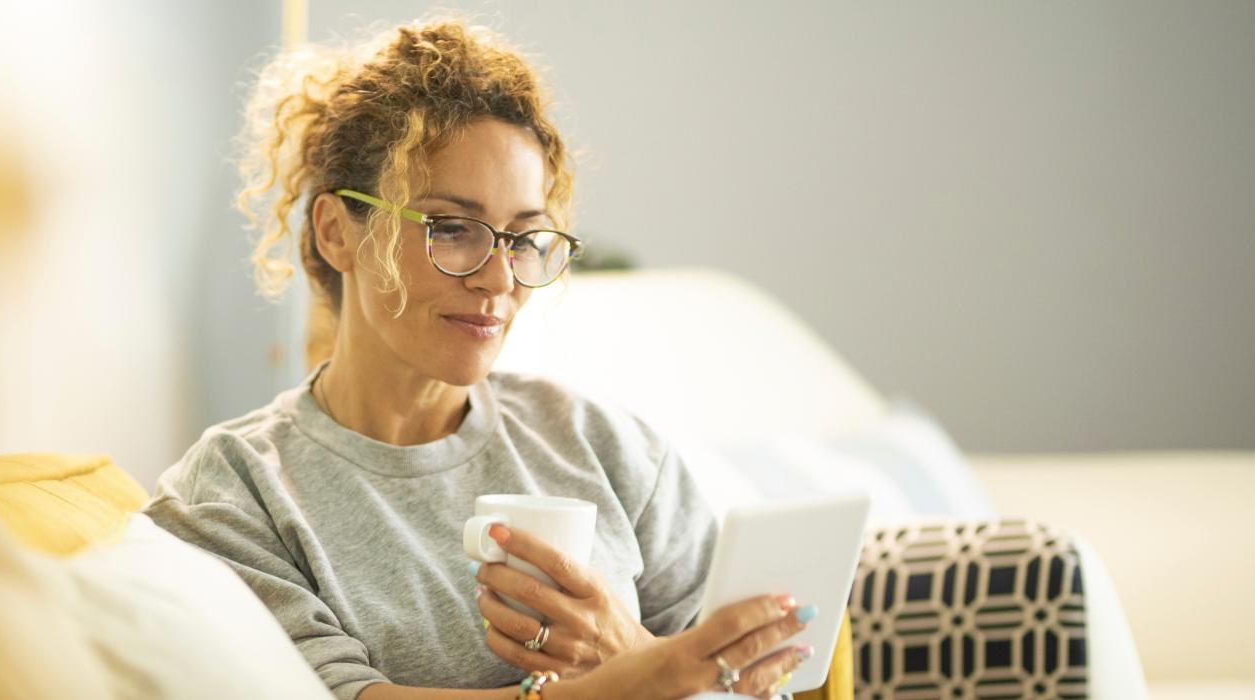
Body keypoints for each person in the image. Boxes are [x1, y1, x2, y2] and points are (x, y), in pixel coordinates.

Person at [144, 19, 820, 700]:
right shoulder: (233, 491)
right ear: (334, 232)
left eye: (523, 240)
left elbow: (752, 684)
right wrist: (639, 679)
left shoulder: (603, 446)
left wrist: (632, 651)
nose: (499, 279)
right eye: (451, 228)